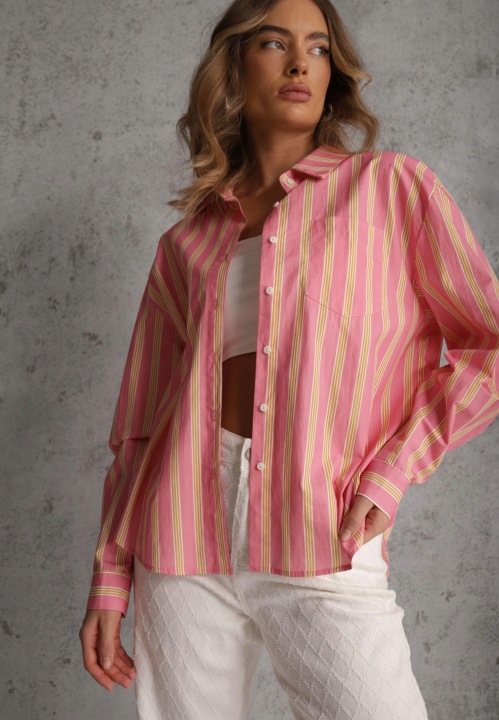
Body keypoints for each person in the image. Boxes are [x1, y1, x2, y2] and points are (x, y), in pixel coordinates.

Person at [79, 0, 499, 718]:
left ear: (334, 72)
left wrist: (392, 472)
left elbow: (486, 346)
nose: (301, 62)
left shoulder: (390, 189)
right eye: (275, 43)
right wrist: (110, 579)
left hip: (321, 523)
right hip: (180, 535)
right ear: (235, 66)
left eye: (318, 47)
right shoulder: (186, 243)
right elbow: (141, 428)